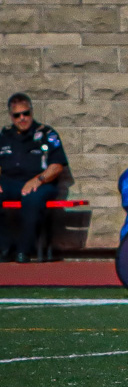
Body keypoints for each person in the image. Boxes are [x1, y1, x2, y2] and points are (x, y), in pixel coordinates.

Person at [0, 93, 67, 262]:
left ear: (31, 112)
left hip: (41, 183)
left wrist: (38, 180)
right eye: (17, 115)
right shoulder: (5, 135)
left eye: (26, 113)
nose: (22, 118)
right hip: (10, 182)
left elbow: (57, 166)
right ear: (11, 116)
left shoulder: (46, 133)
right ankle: (5, 247)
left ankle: (24, 250)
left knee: (32, 199)